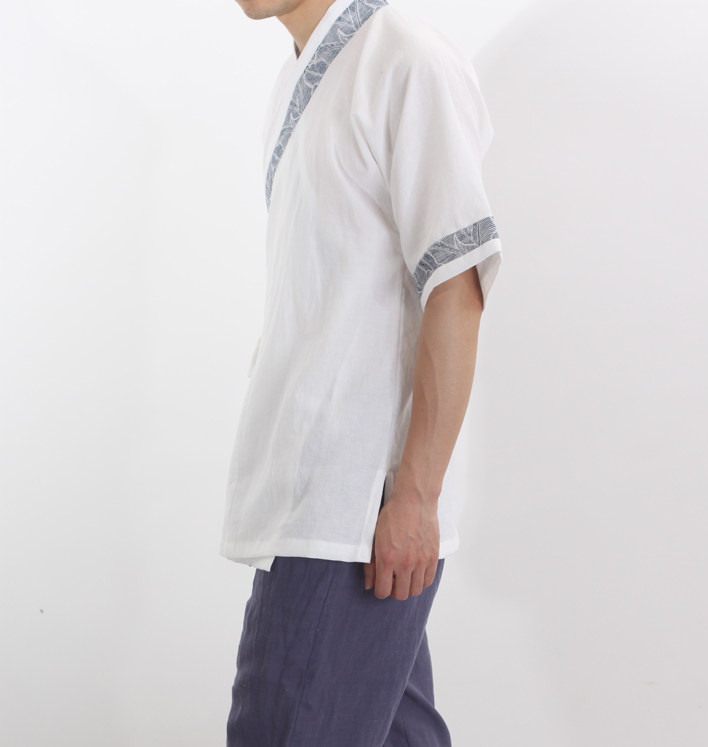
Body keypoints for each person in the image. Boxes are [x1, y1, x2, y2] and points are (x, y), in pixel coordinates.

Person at [221, 0, 503, 743]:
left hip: (356, 516)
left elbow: (457, 285)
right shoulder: (300, 78)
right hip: (310, 498)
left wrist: (417, 496)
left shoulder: (408, 60)